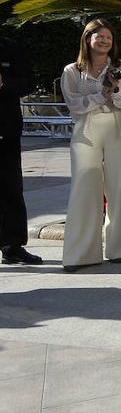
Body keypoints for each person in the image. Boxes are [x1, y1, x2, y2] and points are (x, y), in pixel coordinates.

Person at [59, 19, 121, 271]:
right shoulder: (72, 70)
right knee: (84, 188)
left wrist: (114, 92)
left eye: (108, 37)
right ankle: (81, 253)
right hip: (86, 129)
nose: (104, 41)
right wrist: (101, 94)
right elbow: (74, 104)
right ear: (87, 39)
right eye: (99, 36)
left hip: (119, 127)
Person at [0, 35, 41, 266]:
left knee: (11, 190)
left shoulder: (12, 47)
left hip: (6, 131)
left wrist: (4, 84)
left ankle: (12, 247)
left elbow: (28, 82)